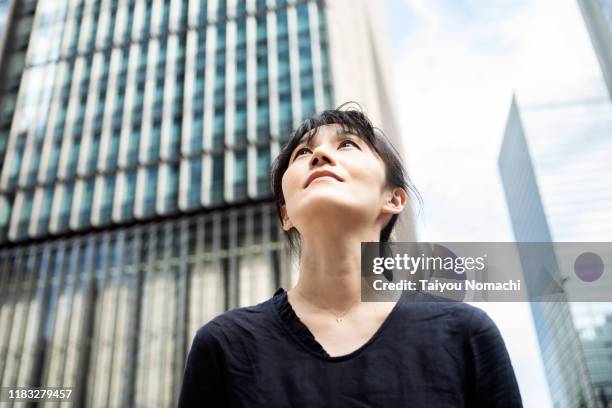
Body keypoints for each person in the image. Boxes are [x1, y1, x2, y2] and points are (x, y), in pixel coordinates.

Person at [178, 103, 523, 407]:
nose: (319, 156)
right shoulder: (224, 346)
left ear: (394, 199)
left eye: (347, 144)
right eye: (301, 153)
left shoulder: (464, 333)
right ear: (285, 215)